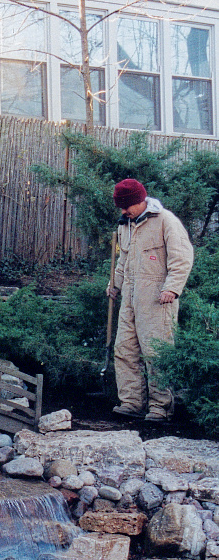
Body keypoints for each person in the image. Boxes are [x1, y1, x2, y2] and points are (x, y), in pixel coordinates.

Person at [107, 178, 193, 422]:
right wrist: (114, 284)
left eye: (126, 206)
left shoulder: (166, 221)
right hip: (130, 299)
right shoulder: (126, 224)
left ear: (140, 200)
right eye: (121, 207)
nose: (123, 211)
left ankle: (161, 407)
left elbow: (182, 258)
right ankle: (131, 403)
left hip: (158, 299)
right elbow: (123, 260)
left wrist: (172, 288)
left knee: (156, 352)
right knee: (124, 349)